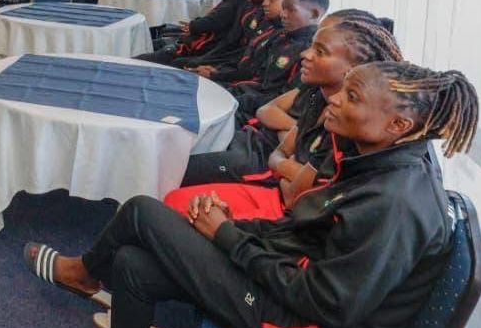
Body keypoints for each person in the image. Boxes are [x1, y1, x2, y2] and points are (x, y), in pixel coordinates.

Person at [23, 60, 477, 328]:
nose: (335, 99)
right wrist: (232, 226)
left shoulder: (397, 203)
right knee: (131, 265)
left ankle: (83, 273)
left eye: (352, 97)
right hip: (296, 298)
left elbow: (324, 302)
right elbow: (302, 236)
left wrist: (225, 235)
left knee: (142, 210)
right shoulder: (379, 163)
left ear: (398, 124)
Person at [166, 18, 404, 218]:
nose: (304, 54)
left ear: (354, 68)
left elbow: (296, 194)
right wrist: (289, 162)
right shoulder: (318, 95)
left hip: (273, 193)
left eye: (320, 51)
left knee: (174, 179)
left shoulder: (348, 125)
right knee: (175, 167)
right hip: (263, 158)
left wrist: (285, 162)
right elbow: (278, 145)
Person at [229, 0, 329, 119]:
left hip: (265, 112)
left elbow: (286, 98)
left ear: (314, 14)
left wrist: (242, 100)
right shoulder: (280, 37)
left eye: (291, 10)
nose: (283, 14)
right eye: (283, 8)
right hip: (249, 95)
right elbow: (258, 77)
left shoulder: (310, 52)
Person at [137, 0, 256, 66]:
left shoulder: (233, 5)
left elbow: (208, 23)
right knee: (152, 40)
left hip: (197, 51)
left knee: (140, 57)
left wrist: (192, 26)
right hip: (194, 44)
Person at [184, 0, 285, 72]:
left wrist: (217, 71)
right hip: (227, 57)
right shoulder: (246, 5)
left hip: (239, 65)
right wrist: (204, 59)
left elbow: (249, 54)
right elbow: (230, 41)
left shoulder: (269, 18)